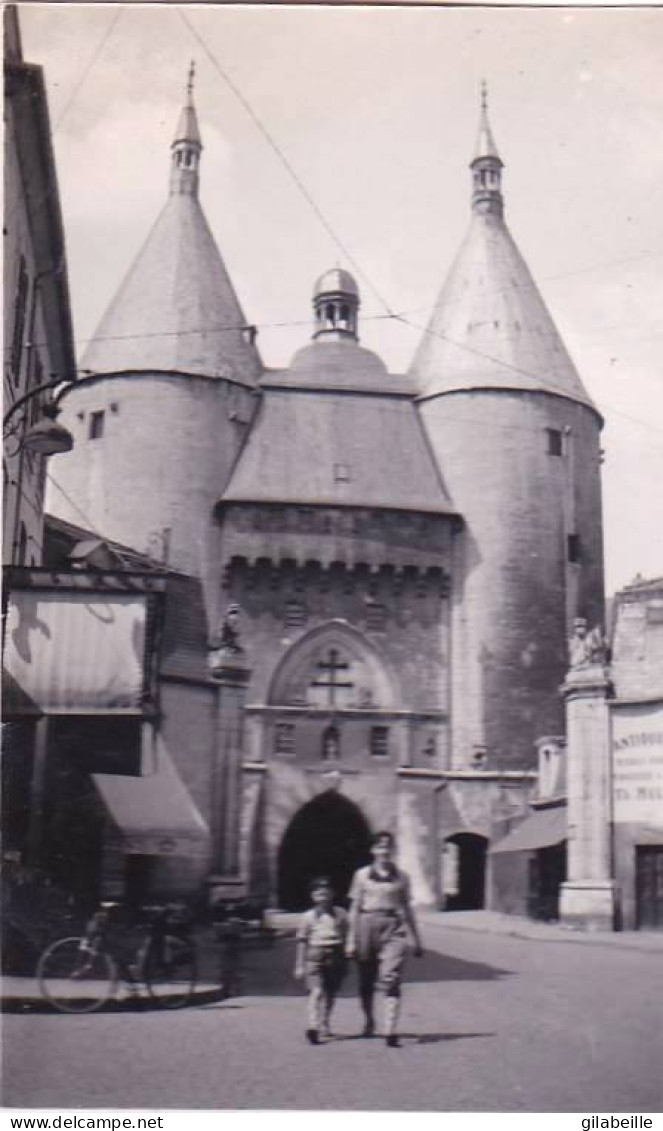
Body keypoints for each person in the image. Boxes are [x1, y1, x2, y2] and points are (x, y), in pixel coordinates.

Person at [346, 830, 424, 1048]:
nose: (384, 851)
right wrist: (351, 939)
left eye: (388, 846)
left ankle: (390, 1029)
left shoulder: (402, 877)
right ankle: (369, 1019)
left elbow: (407, 907)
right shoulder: (361, 875)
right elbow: (354, 907)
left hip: (393, 926)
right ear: (373, 850)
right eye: (380, 846)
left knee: (391, 976)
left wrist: (416, 938)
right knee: (366, 981)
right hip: (366, 925)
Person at [294, 876, 348, 1045]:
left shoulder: (341, 914)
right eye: (317, 892)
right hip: (314, 956)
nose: (322, 894)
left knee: (331, 992)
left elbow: (347, 935)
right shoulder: (308, 917)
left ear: (333, 894)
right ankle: (313, 1026)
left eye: (326, 891)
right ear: (312, 896)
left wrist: (348, 953)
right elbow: (302, 941)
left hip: (336, 955)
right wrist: (299, 965)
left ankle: (325, 1021)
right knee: (316, 992)